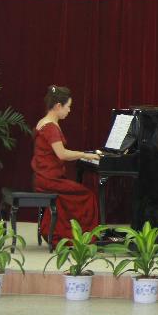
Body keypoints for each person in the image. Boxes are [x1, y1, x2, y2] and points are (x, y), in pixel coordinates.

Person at [32, 85, 100, 243]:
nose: (69, 110)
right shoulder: (51, 127)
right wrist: (85, 155)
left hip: (43, 177)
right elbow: (62, 154)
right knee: (87, 195)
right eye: (68, 107)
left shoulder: (43, 122)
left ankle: (63, 230)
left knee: (75, 192)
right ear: (58, 106)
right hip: (50, 180)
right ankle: (77, 236)